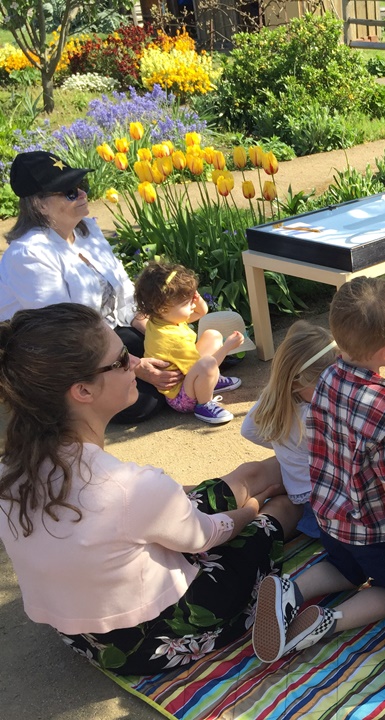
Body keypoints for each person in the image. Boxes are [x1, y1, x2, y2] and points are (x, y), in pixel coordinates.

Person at [0, 303, 303, 675]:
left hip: (80, 634)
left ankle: (277, 478)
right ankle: (288, 498)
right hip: (155, 636)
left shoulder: (11, 469)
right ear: (82, 390)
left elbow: (138, 512)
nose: (135, 363)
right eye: (122, 359)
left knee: (248, 474)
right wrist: (253, 509)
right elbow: (207, 536)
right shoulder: (130, 486)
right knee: (281, 510)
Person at [251, 277, 385, 664]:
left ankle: (290, 591)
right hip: (376, 530)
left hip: (330, 517)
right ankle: (329, 622)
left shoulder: (327, 377)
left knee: (344, 566)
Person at [0, 151, 181, 422]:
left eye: (81, 187)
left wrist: (158, 330)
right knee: (142, 401)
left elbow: (123, 290)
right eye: (70, 192)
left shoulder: (87, 230)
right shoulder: (29, 255)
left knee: (180, 350)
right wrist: (136, 365)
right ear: (39, 205)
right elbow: (65, 332)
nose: (83, 194)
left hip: (104, 332)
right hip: (58, 352)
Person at [241, 321, 338, 538]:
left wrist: (283, 443)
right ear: (298, 383)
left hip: (300, 495)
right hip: (326, 508)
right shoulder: (314, 415)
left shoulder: (276, 401)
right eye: (326, 384)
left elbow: (248, 429)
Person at [135, 261, 246, 425]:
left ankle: (210, 383)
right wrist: (228, 346)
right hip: (181, 397)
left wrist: (194, 296)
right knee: (208, 362)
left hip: (186, 377)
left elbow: (201, 312)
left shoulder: (162, 319)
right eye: (186, 303)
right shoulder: (171, 339)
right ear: (162, 308)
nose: (193, 305)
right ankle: (205, 404)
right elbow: (207, 365)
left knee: (212, 335)